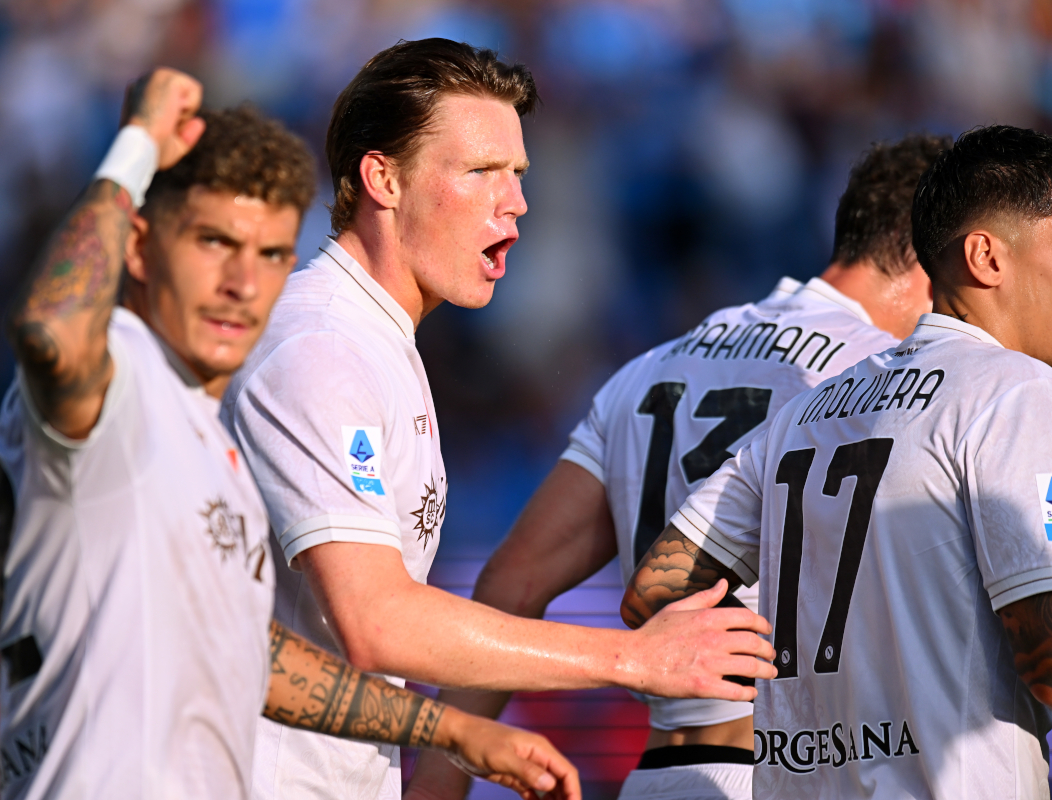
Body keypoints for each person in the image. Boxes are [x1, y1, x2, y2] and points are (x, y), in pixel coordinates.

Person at [0, 67, 580, 800]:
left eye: (270, 255)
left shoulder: (206, 430)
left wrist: (450, 732)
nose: (246, 284)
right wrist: (135, 148)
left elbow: (257, 658)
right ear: (138, 246)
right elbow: (50, 333)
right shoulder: (117, 386)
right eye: (213, 243)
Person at [221, 38, 776, 800]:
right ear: (383, 179)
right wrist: (634, 659)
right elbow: (376, 621)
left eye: (517, 174)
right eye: (481, 171)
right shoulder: (321, 348)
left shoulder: (376, 340)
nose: (514, 202)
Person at [406, 134, 949, 800]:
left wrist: (436, 785)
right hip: (790, 772)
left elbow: (512, 582)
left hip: (659, 776)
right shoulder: (886, 382)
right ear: (944, 260)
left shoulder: (650, 366)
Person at [619, 124, 1052, 799]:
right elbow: (1044, 653)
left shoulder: (803, 414)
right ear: (986, 256)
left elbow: (654, 591)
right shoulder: (1014, 391)